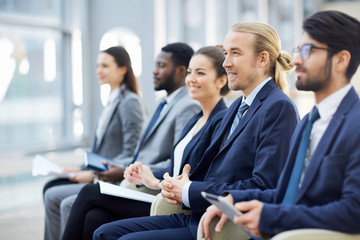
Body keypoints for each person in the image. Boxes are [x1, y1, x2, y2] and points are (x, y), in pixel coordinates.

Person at [93, 21, 299, 240]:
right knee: (103, 233)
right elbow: (210, 170)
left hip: (222, 226)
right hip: (195, 215)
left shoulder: (278, 107)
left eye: (235, 53)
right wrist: (173, 186)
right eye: (226, 53)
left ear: (262, 59)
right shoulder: (238, 107)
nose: (226, 63)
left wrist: (189, 191)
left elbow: (266, 185)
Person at [200, 10, 360, 240]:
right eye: (298, 50)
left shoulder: (355, 124)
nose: (296, 60)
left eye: (308, 51)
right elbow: (287, 193)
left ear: (341, 60)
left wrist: (272, 217)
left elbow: (354, 211)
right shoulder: (309, 122)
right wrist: (234, 199)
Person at [61, 42, 201, 240]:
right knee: (94, 217)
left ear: (179, 71)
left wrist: (141, 173)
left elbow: (178, 162)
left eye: (161, 66)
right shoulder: (163, 102)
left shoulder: (187, 106)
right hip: (135, 179)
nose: (153, 71)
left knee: (88, 193)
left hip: (152, 189)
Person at [43, 46, 144, 240]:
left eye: (105, 66)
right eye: (98, 65)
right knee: (51, 187)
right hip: (97, 173)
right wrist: (78, 167)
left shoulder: (130, 102)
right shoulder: (110, 101)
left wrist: (92, 173)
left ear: (122, 69)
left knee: (53, 195)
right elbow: (100, 151)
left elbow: (131, 153)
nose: (99, 70)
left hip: (111, 177)